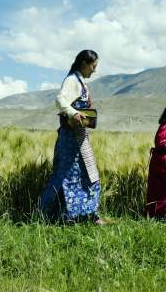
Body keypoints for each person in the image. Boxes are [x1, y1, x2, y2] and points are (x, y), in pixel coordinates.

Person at [40, 50, 105, 225]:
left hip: (80, 137)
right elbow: (60, 100)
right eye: (93, 66)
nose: (94, 70)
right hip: (70, 139)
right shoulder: (71, 80)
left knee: (88, 173)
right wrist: (72, 113)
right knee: (67, 175)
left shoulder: (81, 82)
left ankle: (87, 214)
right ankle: (62, 216)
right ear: (84, 63)